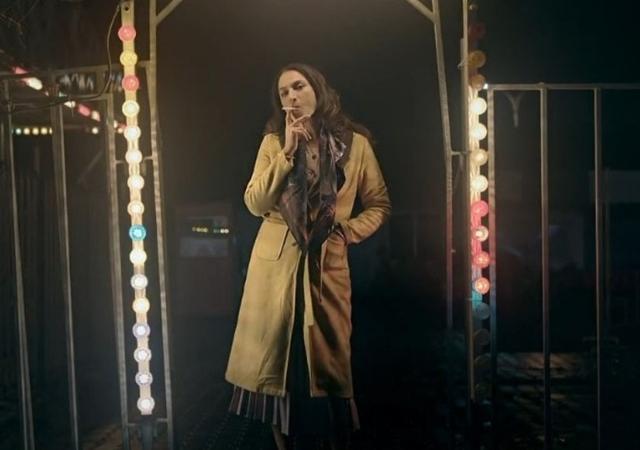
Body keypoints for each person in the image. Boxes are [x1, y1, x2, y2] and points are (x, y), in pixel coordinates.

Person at [225, 62, 391, 450]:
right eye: (284, 92)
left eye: (298, 87)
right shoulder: (272, 143)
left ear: (318, 89)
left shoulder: (356, 145)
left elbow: (379, 204)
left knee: (328, 363)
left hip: (326, 263)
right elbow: (255, 202)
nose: (292, 97)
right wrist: (286, 153)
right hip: (275, 265)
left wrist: (347, 232)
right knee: (276, 363)